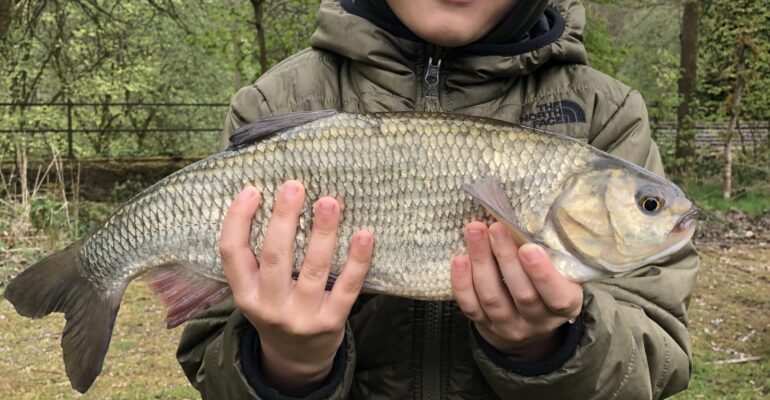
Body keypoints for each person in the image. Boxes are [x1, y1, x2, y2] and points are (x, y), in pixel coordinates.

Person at [178, 0, 700, 398]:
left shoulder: (606, 115)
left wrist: (547, 346)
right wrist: (291, 361)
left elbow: (658, 358)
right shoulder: (275, 101)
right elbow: (208, 353)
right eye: (650, 205)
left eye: (646, 205)